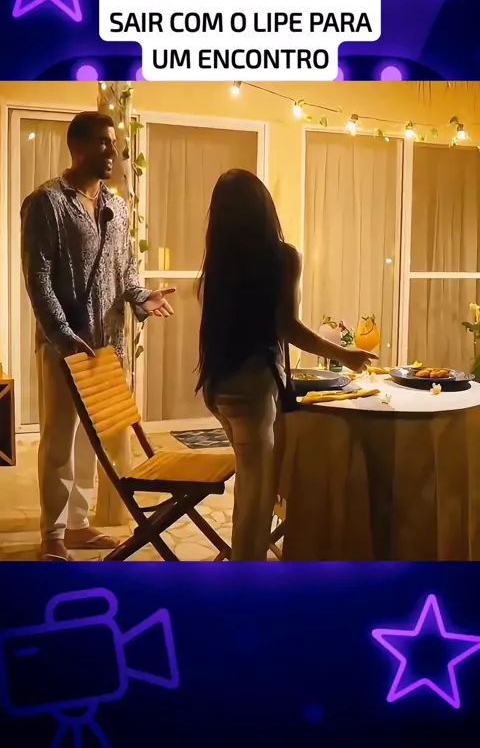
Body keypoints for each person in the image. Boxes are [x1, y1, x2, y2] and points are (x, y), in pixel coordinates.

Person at [196, 168, 377, 562]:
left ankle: (244, 571)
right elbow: (286, 326)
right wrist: (345, 355)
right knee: (257, 497)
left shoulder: (220, 264)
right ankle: (247, 583)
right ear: (264, 208)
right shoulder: (282, 257)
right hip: (252, 388)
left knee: (251, 487)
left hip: (218, 386)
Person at [21, 111, 175, 561]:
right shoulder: (46, 202)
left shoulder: (117, 207)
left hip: (107, 348)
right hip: (65, 346)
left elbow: (126, 273)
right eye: (105, 142)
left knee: (91, 440)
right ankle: (52, 534)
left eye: (114, 143)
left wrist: (143, 297)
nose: (114, 151)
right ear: (78, 147)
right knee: (59, 441)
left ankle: (78, 525)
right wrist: (63, 336)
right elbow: (38, 278)